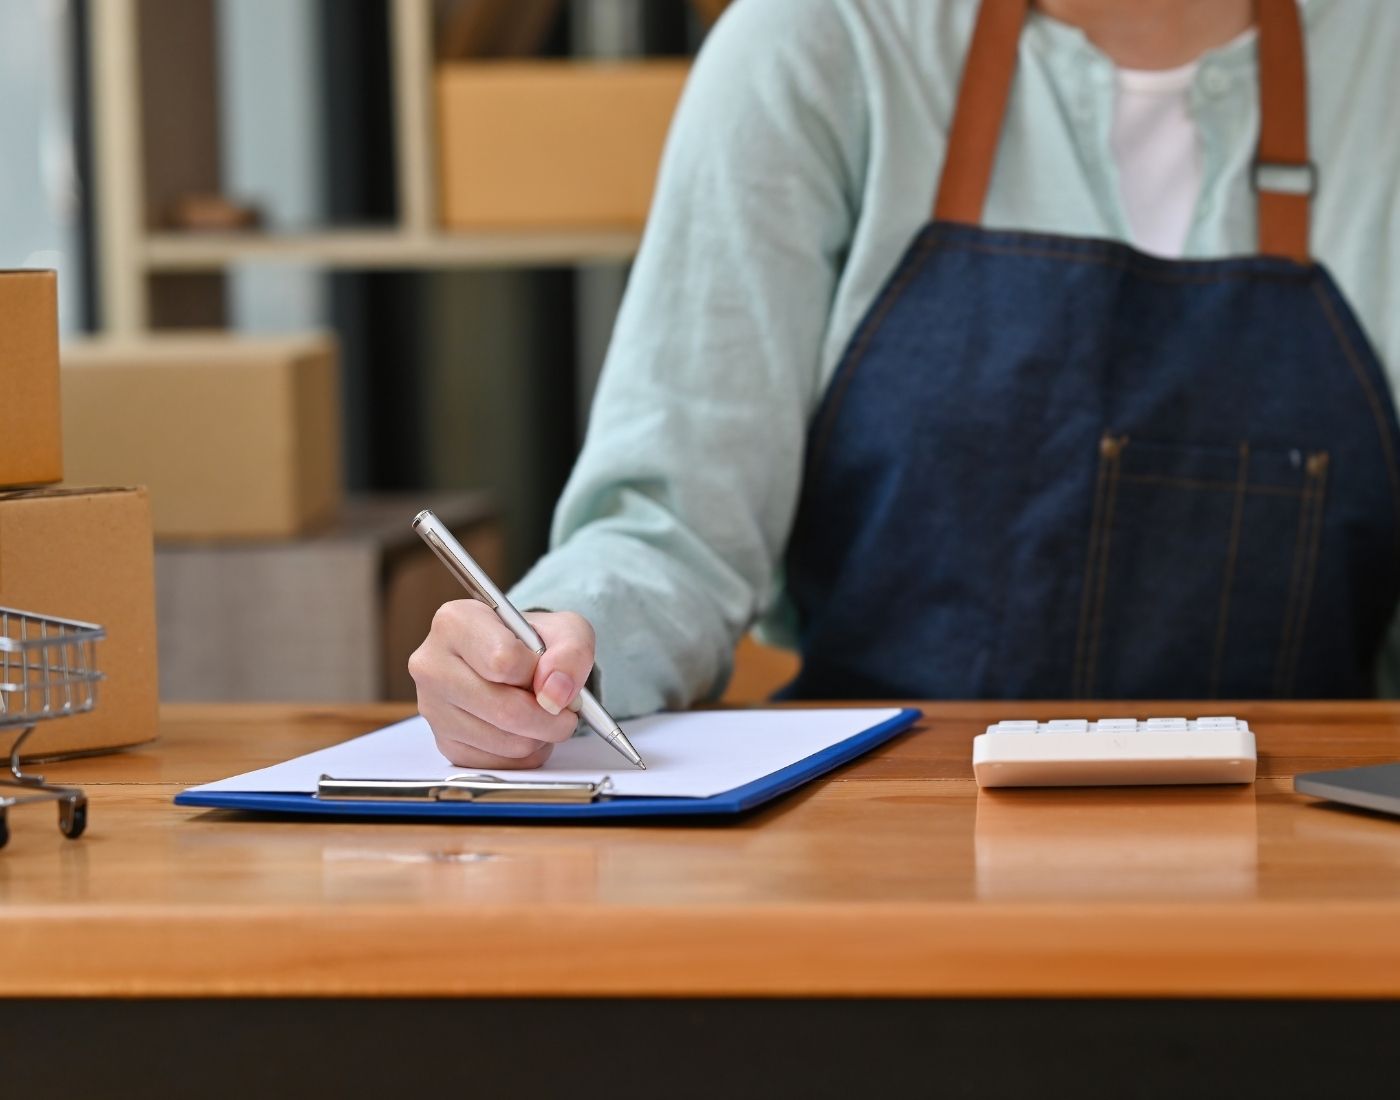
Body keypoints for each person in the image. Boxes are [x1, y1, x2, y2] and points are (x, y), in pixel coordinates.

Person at [410, 0, 1400, 770]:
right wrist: (545, 653)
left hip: (1303, 851)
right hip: (875, 843)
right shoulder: (817, 41)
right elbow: (673, 533)